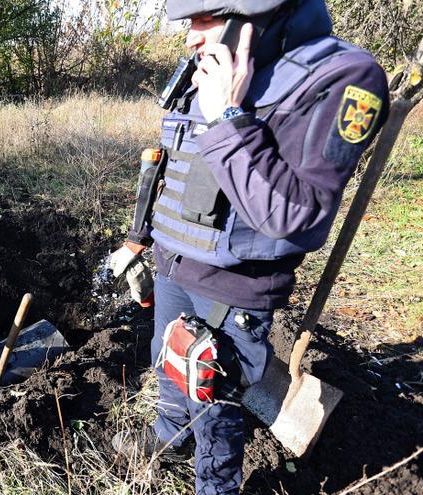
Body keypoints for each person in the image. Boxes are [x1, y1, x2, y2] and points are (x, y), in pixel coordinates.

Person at [110, 0, 389, 493]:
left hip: (232, 285)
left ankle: (215, 486)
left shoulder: (342, 77)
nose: (191, 36)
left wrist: (228, 119)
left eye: (203, 20)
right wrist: (139, 239)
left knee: (211, 391)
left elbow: (295, 217)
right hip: (173, 262)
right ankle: (168, 442)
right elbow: (171, 162)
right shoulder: (212, 66)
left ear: (253, 17)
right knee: (170, 362)